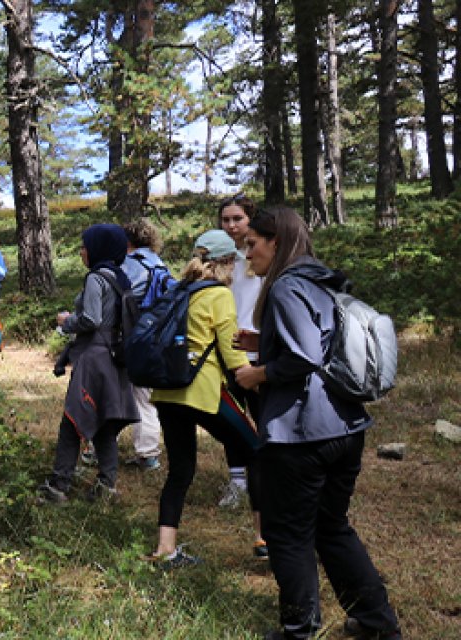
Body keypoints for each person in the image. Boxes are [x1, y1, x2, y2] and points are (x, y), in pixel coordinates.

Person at [235, 207, 401, 640]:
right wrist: (264, 341)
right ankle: (376, 622)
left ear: (276, 241)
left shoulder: (286, 286)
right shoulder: (321, 280)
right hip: (345, 426)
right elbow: (324, 342)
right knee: (332, 526)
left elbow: (305, 355)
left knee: (287, 533)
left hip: (300, 433)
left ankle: (297, 630)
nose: (246, 252)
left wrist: (259, 372)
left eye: (252, 243)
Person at [147, 230, 262, 568]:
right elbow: (232, 354)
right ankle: (265, 537)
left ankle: (165, 549)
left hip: (166, 390)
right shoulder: (219, 296)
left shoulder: (179, 290)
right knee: (255, 449)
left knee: (180, 469)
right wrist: (260, 382)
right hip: (202, 389)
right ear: (227, 263)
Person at [39, 224, 138, 502]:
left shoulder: (96, 278)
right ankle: (107, 485)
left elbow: (92, 320)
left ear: (98, 248)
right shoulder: (121, 278)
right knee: (105, 423)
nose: (82, 251)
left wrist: (66, 321)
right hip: (115, 358)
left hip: (94, 358)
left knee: (73, 420)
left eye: (85, 246)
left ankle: (58, 486)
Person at [217, 194, 263, 510]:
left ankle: (266, 475)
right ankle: (237, 480)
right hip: (225, 352)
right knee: (231, 420)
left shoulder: (261, 256)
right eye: (226, 220)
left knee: (263, 417)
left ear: (250, 220)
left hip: (257, 352)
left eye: (238, 219)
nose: (232, 225)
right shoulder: (217, 258)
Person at [119, 220, 167, 470]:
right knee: (145, 397)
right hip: (157, 337)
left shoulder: (129, 265)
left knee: (114, 391)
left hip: (131, 335)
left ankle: (96, 448)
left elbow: (118, 297)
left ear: (127, 242)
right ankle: (148, 453)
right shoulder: (160, 264)